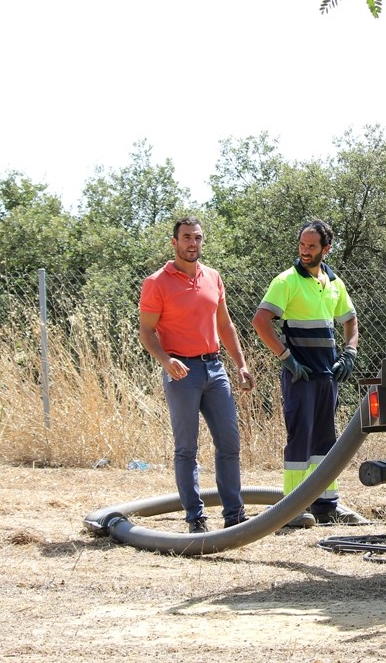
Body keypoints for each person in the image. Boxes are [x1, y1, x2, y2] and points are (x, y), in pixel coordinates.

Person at [138, 217, 254, 534]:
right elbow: (146, 332)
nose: (193, 243)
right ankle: (195, 518)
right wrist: (165, 359)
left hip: (214, 368)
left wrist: (241, 364)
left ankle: (234, 515)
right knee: (187, 449)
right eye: (187, 237)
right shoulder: (157, 282)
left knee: (229, 443)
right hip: (182, 372)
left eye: (198, 238)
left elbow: (225, 325)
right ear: (174, 242)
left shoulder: (213, 277)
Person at [252, 219, 360, 526]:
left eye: (311, 246)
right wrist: (286, 358)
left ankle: (327, 505)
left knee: (327, 441)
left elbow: (351, 321)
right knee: (301, 439)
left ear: (326, 249)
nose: (305, 251)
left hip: (328, 376)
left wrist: (350, 352)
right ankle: (292, 509)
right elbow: (260, 320)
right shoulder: (286, 281)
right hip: (300, 376)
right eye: (302, 245)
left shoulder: (334, 283)